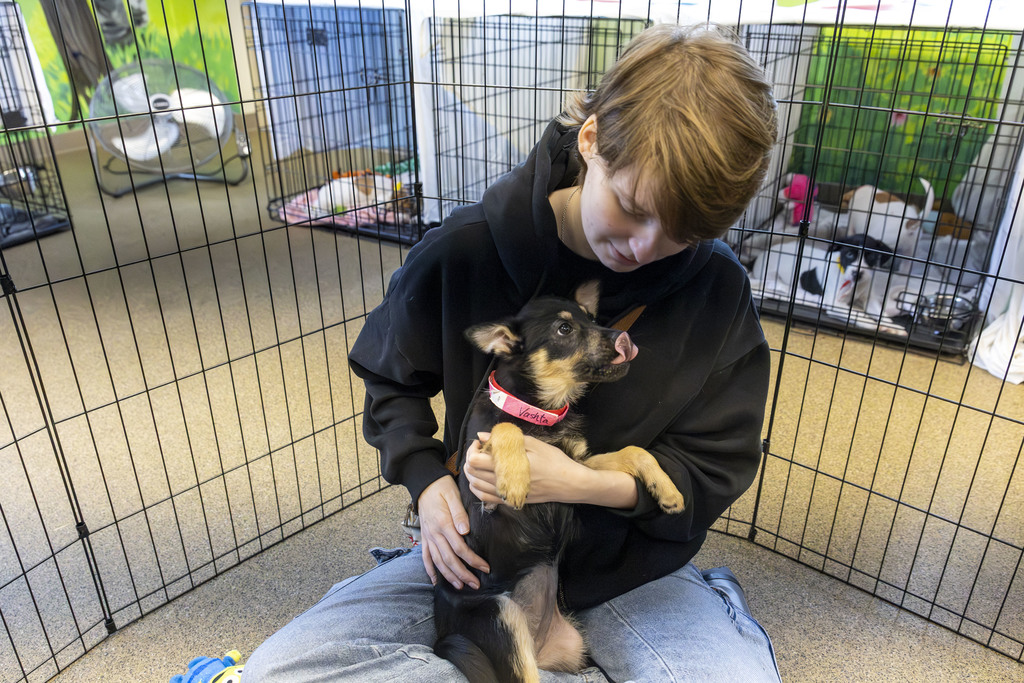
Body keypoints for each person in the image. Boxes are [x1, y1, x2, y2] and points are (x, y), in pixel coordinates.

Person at [245, 22, 780, 682]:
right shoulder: (463, 250)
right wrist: (429, 482)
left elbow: (713, 464)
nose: (644, 247)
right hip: (487, 557)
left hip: (631, 567)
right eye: (632, 207)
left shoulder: (718, 288)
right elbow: (391, 377)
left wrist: (579, 481)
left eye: (680, 234)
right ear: (591, 141)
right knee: (280, 670)